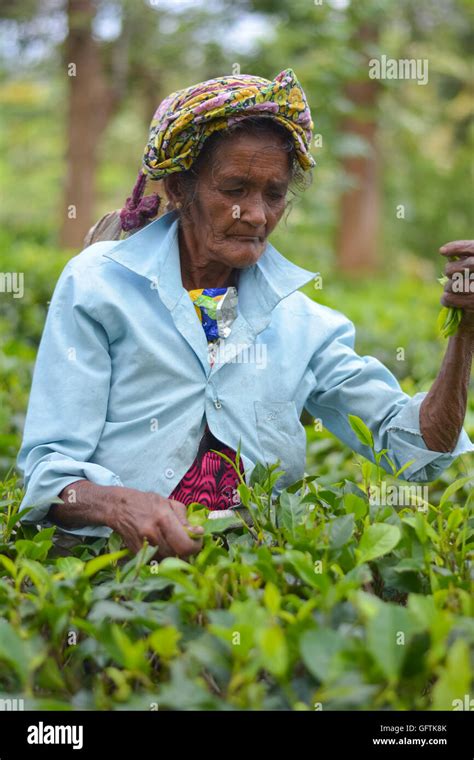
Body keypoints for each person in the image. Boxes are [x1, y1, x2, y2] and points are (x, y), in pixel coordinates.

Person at [16, 69, 474, 560]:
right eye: (234, 189)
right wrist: (120, 504)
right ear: (179, 186)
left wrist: (465, 332)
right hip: (108, 574)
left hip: (251, 581)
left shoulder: (304, 324)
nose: (256, 214)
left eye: (273, 195)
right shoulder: (98, 285)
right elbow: (51, 472)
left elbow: (416, 449)